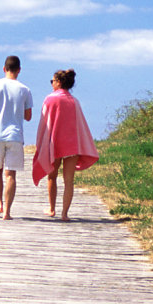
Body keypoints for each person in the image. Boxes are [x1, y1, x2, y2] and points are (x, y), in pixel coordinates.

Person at [32, 68, 99, 221]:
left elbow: (44, 123)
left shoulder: (50, 99)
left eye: (53, 81)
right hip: (72, 146)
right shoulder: (75, 102)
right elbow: (80, 125)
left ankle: (51, 208)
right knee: (69, 180)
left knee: (52, 176)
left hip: (55, 144)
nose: (51, 84)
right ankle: (65, 214)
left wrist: (41, 143)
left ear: (59, 82)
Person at [0, 55, 33, 220]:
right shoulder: (25, 90)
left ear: (4, 69)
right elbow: (28, 116)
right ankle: (7, 212)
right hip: (15, 135)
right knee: (11, 175)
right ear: (19, 70)